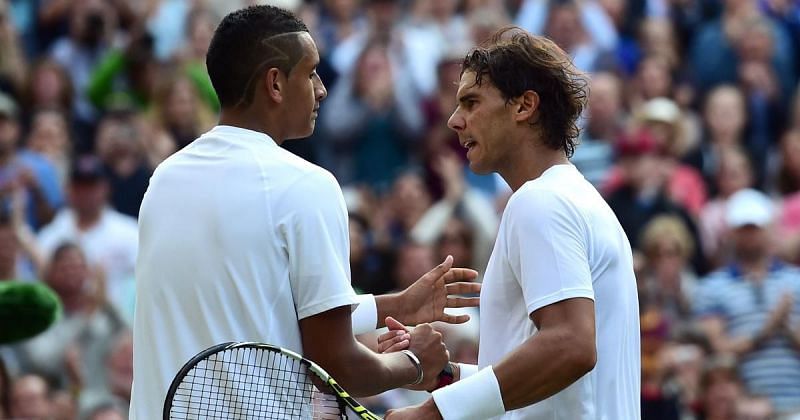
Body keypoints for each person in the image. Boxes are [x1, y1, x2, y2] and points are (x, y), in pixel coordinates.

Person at [130, 6, 480, 419]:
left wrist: (396, 307)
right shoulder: (306, 185)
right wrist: (416, 363)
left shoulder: (163, 181)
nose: (322, 89)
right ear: (275, 83)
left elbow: (259, 305)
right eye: (311, 73)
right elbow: (337, 366)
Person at [379, 27, 640, 419]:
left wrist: (433, 413)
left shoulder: (541, 201)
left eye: (471, 102)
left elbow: (571, 346)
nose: (454, 121)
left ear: (523, 106)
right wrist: (444, 375)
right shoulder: (578, 199)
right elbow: (547, 387)